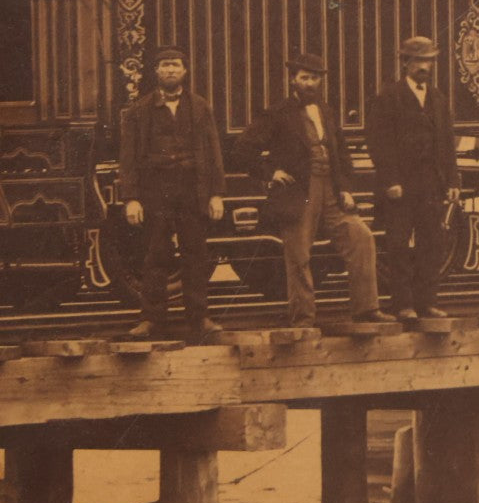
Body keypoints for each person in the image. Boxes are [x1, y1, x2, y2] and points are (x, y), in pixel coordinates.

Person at [235, 53, 390, 327]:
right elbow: (243, 149)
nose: (309, 83)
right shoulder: (278, 113)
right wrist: (271, 172)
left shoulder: (326, 111)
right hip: (299, 194)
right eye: (304, 77)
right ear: (293, 80)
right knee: (299, 256)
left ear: (320, 81)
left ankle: (366, 309)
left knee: (362, 238)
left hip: (331, 191)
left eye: (314, 78)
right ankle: (303, 319)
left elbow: (342, 153)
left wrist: (346, 189)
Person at [119, 47, 226, 342]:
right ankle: (151, 320)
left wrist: (216, 194)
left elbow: (214, 153)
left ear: (184, 71)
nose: (170, 70)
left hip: (192, 190)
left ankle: (200, 319)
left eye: (176, 65)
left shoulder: (200, 107)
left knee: (196, 255)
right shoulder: (139, 111)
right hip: (156, 191)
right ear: (156, 71)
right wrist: (131, 198)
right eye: (165, 65)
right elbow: (128, 159)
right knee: (155, 255)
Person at [365, 36, 460, 321]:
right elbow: (378, 143)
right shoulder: (388, 97)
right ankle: (403, 304)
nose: (424, 67)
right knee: (398, 245)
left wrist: (453, 182)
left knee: (432, 243)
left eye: (429, 61)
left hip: (431, 184)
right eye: (419, 61)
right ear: (405, 63)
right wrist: (390, 180)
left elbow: (447, 143)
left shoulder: (438, 99)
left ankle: (427, 303)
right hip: (401, 186)